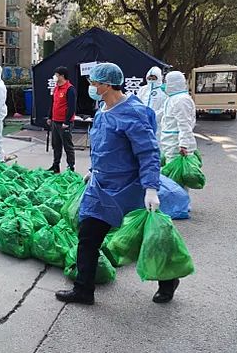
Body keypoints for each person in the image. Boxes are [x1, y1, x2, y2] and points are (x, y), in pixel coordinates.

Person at [55, 62, 180, 306]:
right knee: (88, 236)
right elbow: (102, 146)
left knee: (145, 236)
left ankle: (168, 280)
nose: (91, 87)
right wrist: (93, 170)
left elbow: (148, 153)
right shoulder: (103, 109)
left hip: (129, 188)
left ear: (108, 85)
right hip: (102, 187)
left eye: (94, 83)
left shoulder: (133, 113)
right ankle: (83, 290)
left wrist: (151, 188)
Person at [160, 71, 197, 162]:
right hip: (170, 143)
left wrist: (183, 145)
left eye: (166, 82)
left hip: (176, 145)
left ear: (173, 83)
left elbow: (185, 124)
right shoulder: (172, 98)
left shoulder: (181, 100)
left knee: (176, 169)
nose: (164, 85)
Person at [46, 66, 76, 172]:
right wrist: (50, 117)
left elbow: (71, 107)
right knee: (56, 145)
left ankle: (70, 167)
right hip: (55, 121)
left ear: (62, 76)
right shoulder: (56, 88)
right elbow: (53, 103)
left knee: (68, 146)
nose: (55, 77)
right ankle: (55, 166)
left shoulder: (70, 89)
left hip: (64, 123)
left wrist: (67, 122)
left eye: (56, 75)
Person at [137, 66, 168, 138]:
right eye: (149, 78)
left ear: (159, 78)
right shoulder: (143, 90)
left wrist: (152, 116)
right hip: (142, 123)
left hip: (158, 124)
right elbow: (137, 103)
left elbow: (164, 108)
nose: (151, 80)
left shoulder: (164, 91)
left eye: (154, 78)